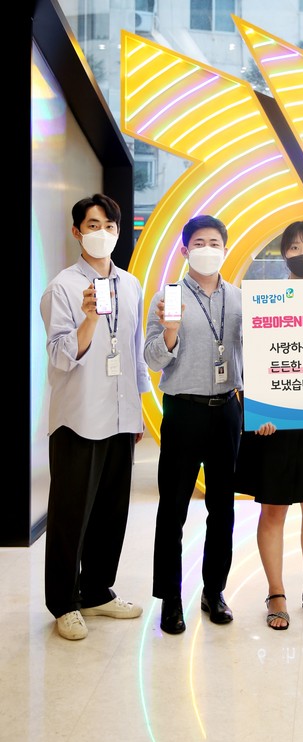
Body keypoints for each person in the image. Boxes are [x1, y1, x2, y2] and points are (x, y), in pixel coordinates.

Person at [40, 193, 149, 640]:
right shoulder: (62, 287)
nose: (101, 233)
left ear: (118, 232)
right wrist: (88, 319)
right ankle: (64, 603)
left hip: (121, 415)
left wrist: (139, 410)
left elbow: (135, 350)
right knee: (71, 515)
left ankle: (98, 591)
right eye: (91, 225)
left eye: (108, 226)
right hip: (79, 418)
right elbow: (59, 356)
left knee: (111, 511)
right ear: (76, 232)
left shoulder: (131, 284)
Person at [234, 221, 303, 630]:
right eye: (295, 246)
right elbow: (247, 358)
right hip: (274, 421)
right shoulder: (263, 300)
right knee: (274, 507)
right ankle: (276, 592)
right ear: (284, 254)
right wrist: (257, 409)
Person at [144, 214, 244, 635]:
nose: (207, 249)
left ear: (225, 248)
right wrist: (170, 333)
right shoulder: (168, 297)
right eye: (198, 243)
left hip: (228, 410)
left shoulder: (238, 298)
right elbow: (152, 358)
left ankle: (214, 591)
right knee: (173, 508)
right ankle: (170, 598)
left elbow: (252, 355)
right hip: (184, 410)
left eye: (214, 242)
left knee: (223, 507)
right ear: (185, 250)